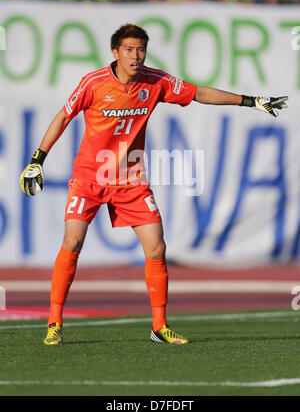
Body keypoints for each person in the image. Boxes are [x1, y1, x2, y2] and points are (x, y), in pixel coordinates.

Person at [20, 23, 288, 346]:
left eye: (141, 49)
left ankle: (159, 326)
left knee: (156, 246)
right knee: (73, 240)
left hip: (131, 179)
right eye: (129, 50)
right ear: (115, 52)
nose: (136, 56)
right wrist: (38, 159)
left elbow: (199, 92)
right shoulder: (93, 83)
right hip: (90, 177)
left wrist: (250, 101)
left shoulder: (156, 82)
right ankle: (54, 322)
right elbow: (63, 117)